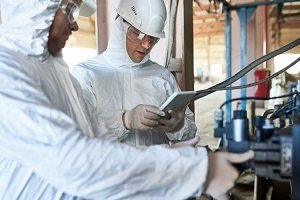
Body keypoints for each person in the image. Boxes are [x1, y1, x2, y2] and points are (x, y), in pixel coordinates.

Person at [0, 0, 254, 199]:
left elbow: (93, 131)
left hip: (143, 185)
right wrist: (197, 170)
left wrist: (170, 149)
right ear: (37, 6)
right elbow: (72, 160)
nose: (76, 25)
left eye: (152, 39)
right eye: (70, 11)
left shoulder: (55, 70)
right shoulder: (7, 72)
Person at [70, 0, 197, 147]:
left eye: (153, 38)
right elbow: (80, 134)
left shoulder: (162, 76)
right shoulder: (86, 74)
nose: (146, 45)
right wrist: (125, 121)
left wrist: (177, 127)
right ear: (120, 27)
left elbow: (191, 132)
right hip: (112, 169)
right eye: (139, 35)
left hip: (157, 167)